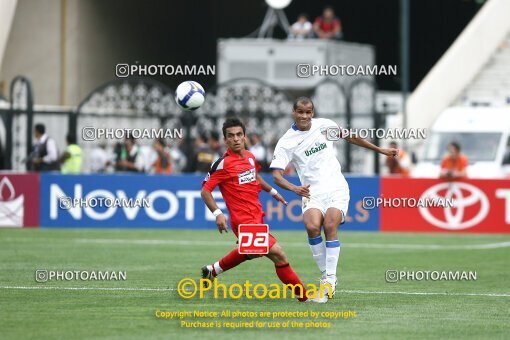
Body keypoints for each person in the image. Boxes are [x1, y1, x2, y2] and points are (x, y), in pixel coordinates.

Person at [270, 97, 398, 301]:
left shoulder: (324, 125)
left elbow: (351, 137)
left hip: (336, 186)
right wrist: (294, 188)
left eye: (308, 112)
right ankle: (326, 276)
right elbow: (276, 175)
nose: (305, 116)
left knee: (330, 226)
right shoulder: (286, 142)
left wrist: (380, 150)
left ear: (313, 112)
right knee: (312, 227)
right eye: (300, 112)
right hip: (312, 192)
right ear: (293, 112)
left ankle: (330, 279)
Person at [200, 118, 320, 303]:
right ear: (225, 140)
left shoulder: (249, 156)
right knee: (278, 254)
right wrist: (218, 214)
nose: (236, 139)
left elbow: (254, 176)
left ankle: (212, 271)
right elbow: (205, 190)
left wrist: (273, 192)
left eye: (239, 135)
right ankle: (304, 297)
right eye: (231, 136)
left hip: (256, 215)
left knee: (253, 251)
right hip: (242, 220)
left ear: (245, 136)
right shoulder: (222, 164)